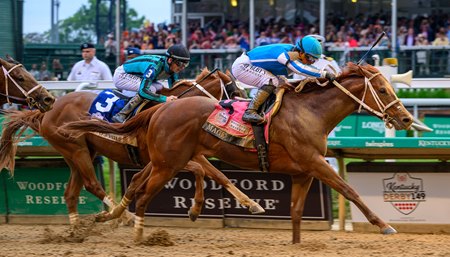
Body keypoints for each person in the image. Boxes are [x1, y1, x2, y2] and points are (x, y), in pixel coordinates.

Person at [231, 35, 335, 124]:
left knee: (284, 83)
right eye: (309, 58)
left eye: (314, 60)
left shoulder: (293, 52)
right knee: (272, 81)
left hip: (251, 66)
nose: (311, 62)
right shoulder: (285, 54)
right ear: (301, 52)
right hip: (242, 66)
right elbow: (300, 69)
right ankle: (250, 112)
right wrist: (323, 73)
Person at [111, 44, 190, 123]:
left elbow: (173, 88)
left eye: (185, 65)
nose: (182, 68)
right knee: (151, 89)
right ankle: (121, 115)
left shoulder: (172, 69)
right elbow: (143, 91)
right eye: (180, 64)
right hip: (121, 75)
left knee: (160, 87)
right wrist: (165, 99)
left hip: (135, 75)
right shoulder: (154, 67)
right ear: (170, 60)